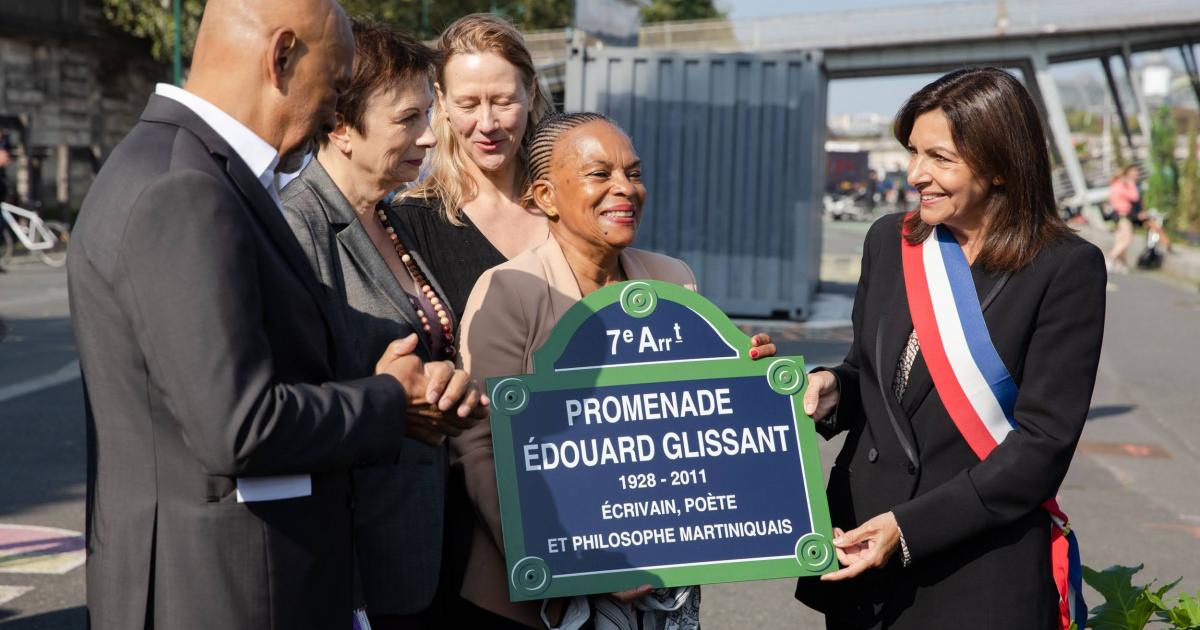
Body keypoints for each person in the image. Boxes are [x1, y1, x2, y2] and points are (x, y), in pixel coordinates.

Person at [67, 2, 482, 629]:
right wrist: (389, 400)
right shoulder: (185, 188)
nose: (331, 111)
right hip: (224, 589)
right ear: (281, 56)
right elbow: (240, 424)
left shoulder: (182, 168)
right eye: (336, 84)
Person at [794, 67, 1106, 630]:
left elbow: (1042, 445)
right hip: (862, 547)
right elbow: (870, 375)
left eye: (940, 158)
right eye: (913, 152)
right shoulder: (891, 240)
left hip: (975, 561)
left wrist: (908, 529)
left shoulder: (1064, 268)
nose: (916, 174)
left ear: (1001, 165)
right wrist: (830, 388)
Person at [457, 112, 778, 629]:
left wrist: (752, 380)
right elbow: (479, 447)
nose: (624, 189)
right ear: (544, 197)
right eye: (599, 174)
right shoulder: (509, 291)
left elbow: (710, 424)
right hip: (536, 606)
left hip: (662, 591)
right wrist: (573, 564)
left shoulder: (674, 279)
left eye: (634, 173)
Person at [279, 20, 479, 630]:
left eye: (430, 115)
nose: (428, 136)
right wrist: (396, 398)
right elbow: (284, 404)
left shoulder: (394, 217)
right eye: (407, 119)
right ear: (340, 125)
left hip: (431, 541)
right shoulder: (295, 228)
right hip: (357, 562)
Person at [392, 12, 555, 323]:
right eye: (468, 104)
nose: (487, 124)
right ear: (441, 99)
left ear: (531, 92)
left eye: (504, 101)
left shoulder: (572, 205)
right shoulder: (409, 224)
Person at [1107, 165, 1139, 273]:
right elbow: (1134, 197)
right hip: (1123, 215)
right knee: (1127, 239)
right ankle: (1111, 257)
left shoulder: (1113, 186)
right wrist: (1131, 184)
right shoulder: (1120, 186)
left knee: (1120, 239)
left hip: (1116, 216)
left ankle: (1121, 264)